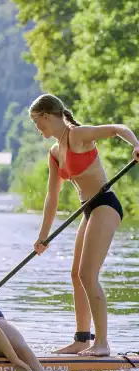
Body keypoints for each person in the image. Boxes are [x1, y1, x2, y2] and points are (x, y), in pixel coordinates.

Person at [29, 93, 139, 356]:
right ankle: (82, 339)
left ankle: (102, 344)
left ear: (46, 116)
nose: (37, 127)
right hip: (88, 210)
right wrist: (43, 237)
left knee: (88, 275)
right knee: (76, 276)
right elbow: (52, 197)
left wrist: (136, 144)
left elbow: (116, 129)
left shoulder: (78, 135)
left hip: (105, 204)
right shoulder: (54, 153)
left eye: (37, 121)